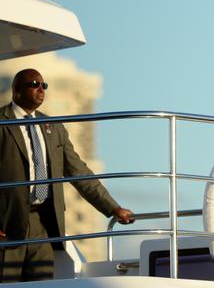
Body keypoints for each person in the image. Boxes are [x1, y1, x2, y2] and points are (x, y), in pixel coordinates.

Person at [0, 68, 135, 282]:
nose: (41, 90)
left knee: (42, 285)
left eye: (43, 85)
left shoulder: (53, 126)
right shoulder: (2, 121)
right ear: (16, 90)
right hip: (7, 225)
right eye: (34, 84)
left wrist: (112, 207)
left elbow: (78, 171)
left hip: (44, 224)